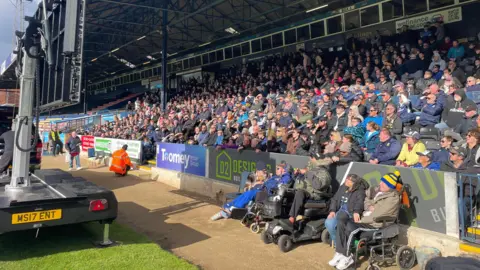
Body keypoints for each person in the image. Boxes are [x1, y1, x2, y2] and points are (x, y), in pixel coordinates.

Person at [329, 171, 402, 270]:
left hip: (376, 224)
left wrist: (361, 220)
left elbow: (377, 215)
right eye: (381, 181)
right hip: (367, 218)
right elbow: (366, 197)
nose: (381, 184)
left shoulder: (393, 199)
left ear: (390, 187)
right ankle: (340, 252)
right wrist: (369, 206)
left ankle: (347, 256)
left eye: (384, 184)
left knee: (350, 226)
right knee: (342, 222)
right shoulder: (377, 190)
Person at [325, 174, 367, 248]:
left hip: (349, 213)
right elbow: (335, 199)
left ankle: (344, 244)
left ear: (354, 183)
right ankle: (337, 242)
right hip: (339, 211)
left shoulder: (360, 190)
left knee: (341, 220)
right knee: (329, 223)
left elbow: (360, 202)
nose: (346, 180)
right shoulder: (342, 187)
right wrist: (332, 211)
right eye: (347, 178)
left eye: (349, 180)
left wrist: (357, 211)